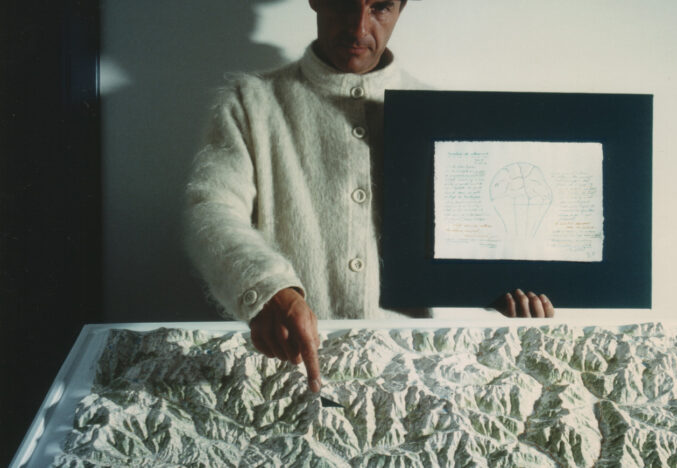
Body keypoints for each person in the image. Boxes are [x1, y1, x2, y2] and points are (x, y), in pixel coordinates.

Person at [184, 0, 554, 394]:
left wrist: (504, 283)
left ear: (401, 8)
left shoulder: (440, 113)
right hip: (286, 371)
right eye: (345, 3)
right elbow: (212, 210)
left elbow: (472, 234)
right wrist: (267, 286)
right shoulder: (250, 102)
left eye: (379, 7)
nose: (359, 28)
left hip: (411, 377)